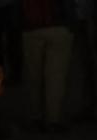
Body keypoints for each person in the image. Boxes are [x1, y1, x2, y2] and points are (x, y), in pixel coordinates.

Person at [21, 0, 74, 132]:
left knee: (33, 75)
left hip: (30, 25)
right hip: (59, 24)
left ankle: (35, 117)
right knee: (56, 77)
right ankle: (53, 119)